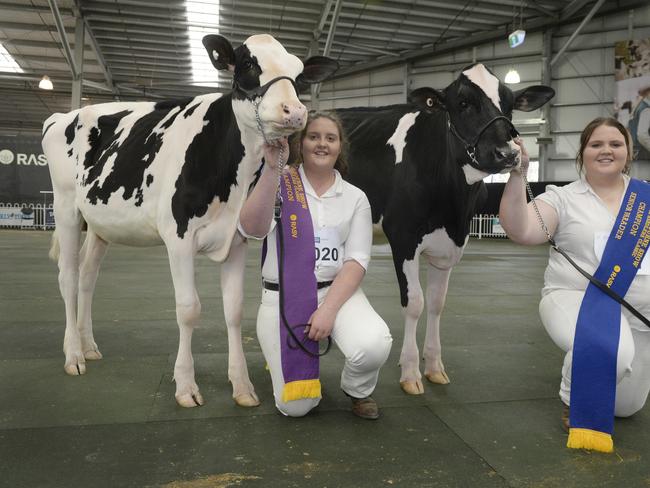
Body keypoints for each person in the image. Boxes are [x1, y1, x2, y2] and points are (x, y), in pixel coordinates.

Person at [499, 117, 650, 452]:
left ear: (629, 150)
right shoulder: (562, 198)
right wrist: (518, 175)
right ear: (582, 153)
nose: (606, 150)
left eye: (615, 143)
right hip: (576, 299)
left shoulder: (646, 199)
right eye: (596, 144)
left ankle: (590, 363)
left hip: (640, 316)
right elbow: (522, 230)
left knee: (626, 408)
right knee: (612, 353)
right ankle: (572, 397)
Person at [239, 111, 392, 419]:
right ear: (301, 143)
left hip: (335, 292)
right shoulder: (279, 183)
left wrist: (328, 310)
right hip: (283, 297)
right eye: (313, 137)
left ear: (339, 147)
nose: (322, 144)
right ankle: (285, 358)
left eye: (330, 138)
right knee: (296, 408)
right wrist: (272, 169)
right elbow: (250, 229)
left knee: (374, 344)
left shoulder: (355, 197)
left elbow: (356, 260)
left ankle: (357, 390)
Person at [629, 86, 650, 160]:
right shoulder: (646, 109)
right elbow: (642, 135)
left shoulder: (639, 106)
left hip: (637, 151)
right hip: (644, 152)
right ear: (648, 93)